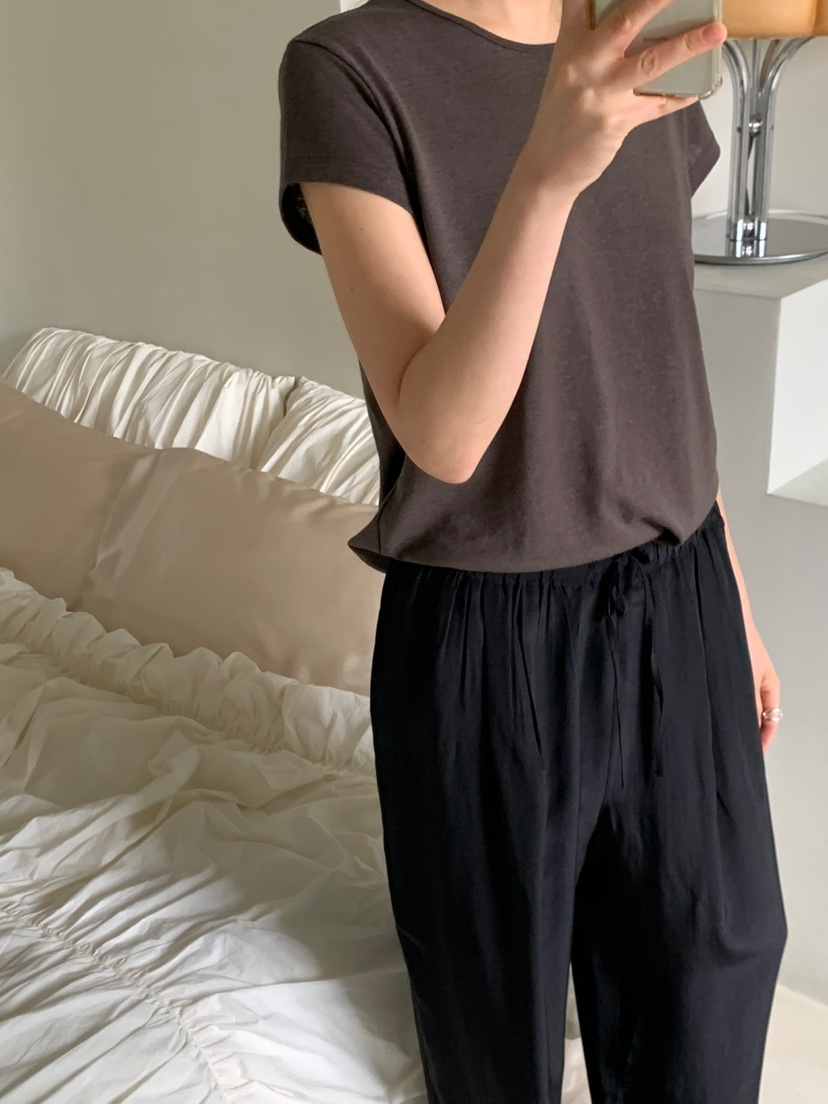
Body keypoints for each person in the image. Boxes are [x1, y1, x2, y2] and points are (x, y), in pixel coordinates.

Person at [277, 1, 789, 1100]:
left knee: (717, 978)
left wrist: (733, 600)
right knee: (493, 1037)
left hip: (680, 593)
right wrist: (547, 176)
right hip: (486, 634)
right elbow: (444, 436)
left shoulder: (629, 31)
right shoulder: (346, 68)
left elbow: (654, 347)